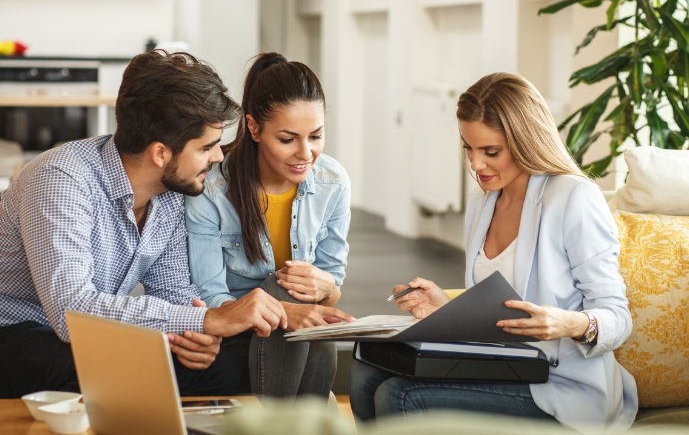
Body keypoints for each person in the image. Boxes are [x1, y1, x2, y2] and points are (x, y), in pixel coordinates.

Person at [350, 72, 638, 430]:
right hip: (504, 368)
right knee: (365, 374)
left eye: (491, 152)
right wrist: (447, 306)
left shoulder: (573, 198)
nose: (475, 164)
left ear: (525, 141)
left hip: (562, 386)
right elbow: (498, 310)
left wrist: (570, 323)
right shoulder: (483, 202)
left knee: (400, 395)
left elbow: (618, 318)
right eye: (468, 147)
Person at [0, 50, 287, 398]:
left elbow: (174, 293)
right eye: (207, 146)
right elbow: (70, 311)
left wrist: (195, 338)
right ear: (161, 153)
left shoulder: (169, 194)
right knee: (107, 366)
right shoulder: (61, 178)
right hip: (17, 331)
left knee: (223, 367)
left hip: (92, 338)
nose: (216, 157)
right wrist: (207, 320)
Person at [185, 52, 353, 400]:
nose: (305, 153)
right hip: (236, 331)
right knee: (281, 289)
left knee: (310, 323)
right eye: (288, 139)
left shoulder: (333, 182)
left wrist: (325, 287)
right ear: (254, 128)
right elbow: (210, 297)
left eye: (316, 136)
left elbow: (331, 289)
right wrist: (283, 310)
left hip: (299, 335)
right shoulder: (212, 189)